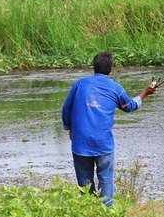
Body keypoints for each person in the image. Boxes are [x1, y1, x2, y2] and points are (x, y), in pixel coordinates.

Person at [61, 51, 156, 206]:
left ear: (94, 67)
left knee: (85, 183)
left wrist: (69, 128)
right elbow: (129, 107)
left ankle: (87, 214)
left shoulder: (79, 84)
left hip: (80, 143)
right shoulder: (115, 88)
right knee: (105, 180)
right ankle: (106, 216)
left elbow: (66, 109)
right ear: (111, 69)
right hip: (103, 144)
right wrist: (145, 93)